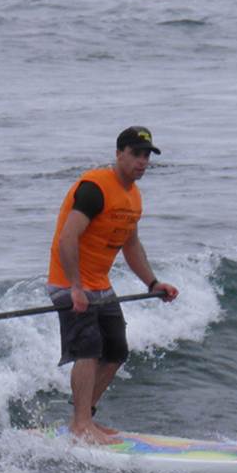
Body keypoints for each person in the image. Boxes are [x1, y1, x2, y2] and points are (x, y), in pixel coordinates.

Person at [47, 126, 179, 443]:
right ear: (119, 153)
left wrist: (152, 283)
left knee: (116, 351)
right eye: (136, 154)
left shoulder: (133, 197)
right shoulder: (95, 188)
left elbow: (130, 245)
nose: (142, 161)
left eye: (147, 155)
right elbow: (67, 238)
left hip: (100, 285)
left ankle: (84, 419)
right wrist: (75, 287)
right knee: (88, 349)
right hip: (69, 281)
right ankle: (81, 426)